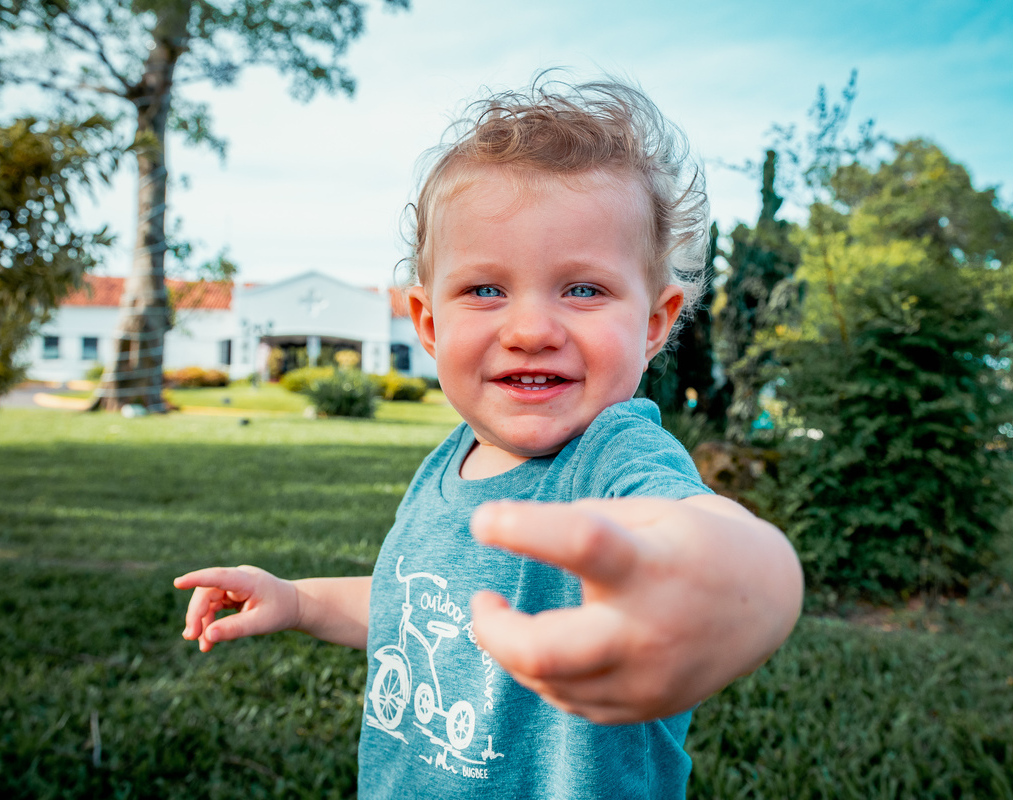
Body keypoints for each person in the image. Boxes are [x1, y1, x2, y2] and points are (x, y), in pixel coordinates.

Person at [175, 74, 803, 799]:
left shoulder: (613, 457)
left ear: (655, 323)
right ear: (429, 323)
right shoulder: (449, 461)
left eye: (584, 289)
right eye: (485, 290)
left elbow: (719, 543)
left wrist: (750, 582)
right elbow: (417, 605)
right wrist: (299, 601)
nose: (531, 329)